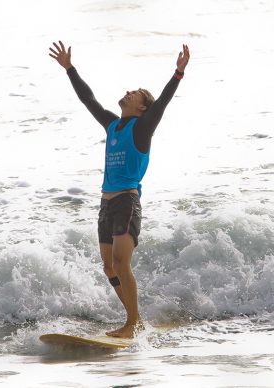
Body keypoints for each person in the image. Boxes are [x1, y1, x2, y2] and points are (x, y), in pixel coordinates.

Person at [49, 40, 190, 338]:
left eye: (135, 92)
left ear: (142, 107)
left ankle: (132, 323)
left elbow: (162, 102)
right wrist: (70, 69)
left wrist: (178, 73)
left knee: (121, 262)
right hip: (106, 203)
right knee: (108, 268)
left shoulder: (142, 127)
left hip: (127, 200)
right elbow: (89, 101)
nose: (128, 92)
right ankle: (134, 319)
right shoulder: (113, 125)